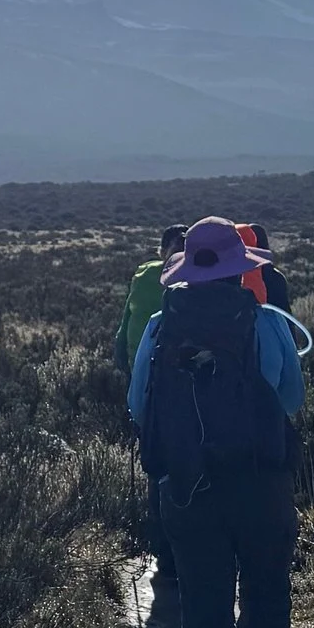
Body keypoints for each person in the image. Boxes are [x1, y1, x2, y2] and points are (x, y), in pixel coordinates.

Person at [128, 214, 310, 628]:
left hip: (187, 491)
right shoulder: (264, 323)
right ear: (239, 271)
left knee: (204, 616)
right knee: (265, 593)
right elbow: (291, 396)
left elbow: (139, 405)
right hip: (259, 487)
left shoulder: (159, 328)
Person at [115, 226, 188, 597]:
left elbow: (124, 335)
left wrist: (133, 392)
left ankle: (165, 554)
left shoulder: (144, 277)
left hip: (153, 398)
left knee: (158, 474)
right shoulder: (244, 311)